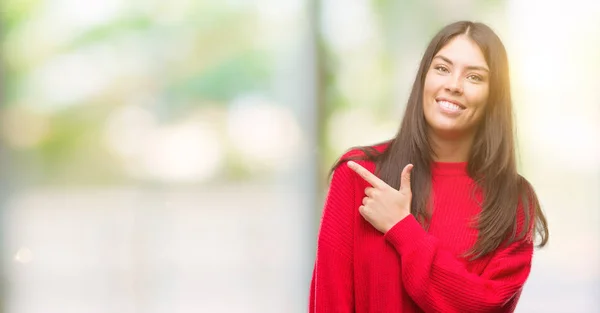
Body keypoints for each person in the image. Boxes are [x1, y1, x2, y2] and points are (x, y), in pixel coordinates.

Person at [308, 21, 549, 313]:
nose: (454, 85)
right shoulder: (360, 175)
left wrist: (402, 229)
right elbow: (330, 303)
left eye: (474, 77)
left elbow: (484, 306)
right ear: (424, 77)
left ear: (493, 96)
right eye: (442, 68)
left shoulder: (513, 200)